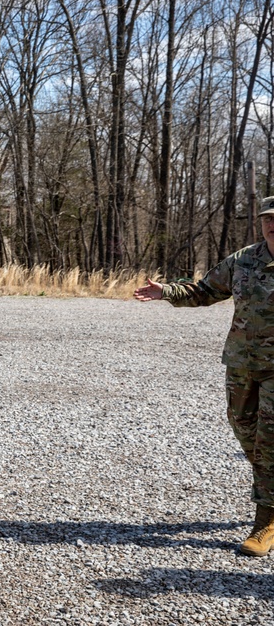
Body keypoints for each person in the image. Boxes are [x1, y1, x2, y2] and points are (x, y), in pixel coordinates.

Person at [134, 195, 274, 557]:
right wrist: (166, 291)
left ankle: (266, 523)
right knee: (244, 429)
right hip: (242, 362)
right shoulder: (244, 260)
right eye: (266, 218)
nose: (272, 224)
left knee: (270, 442)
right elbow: (205, 290)